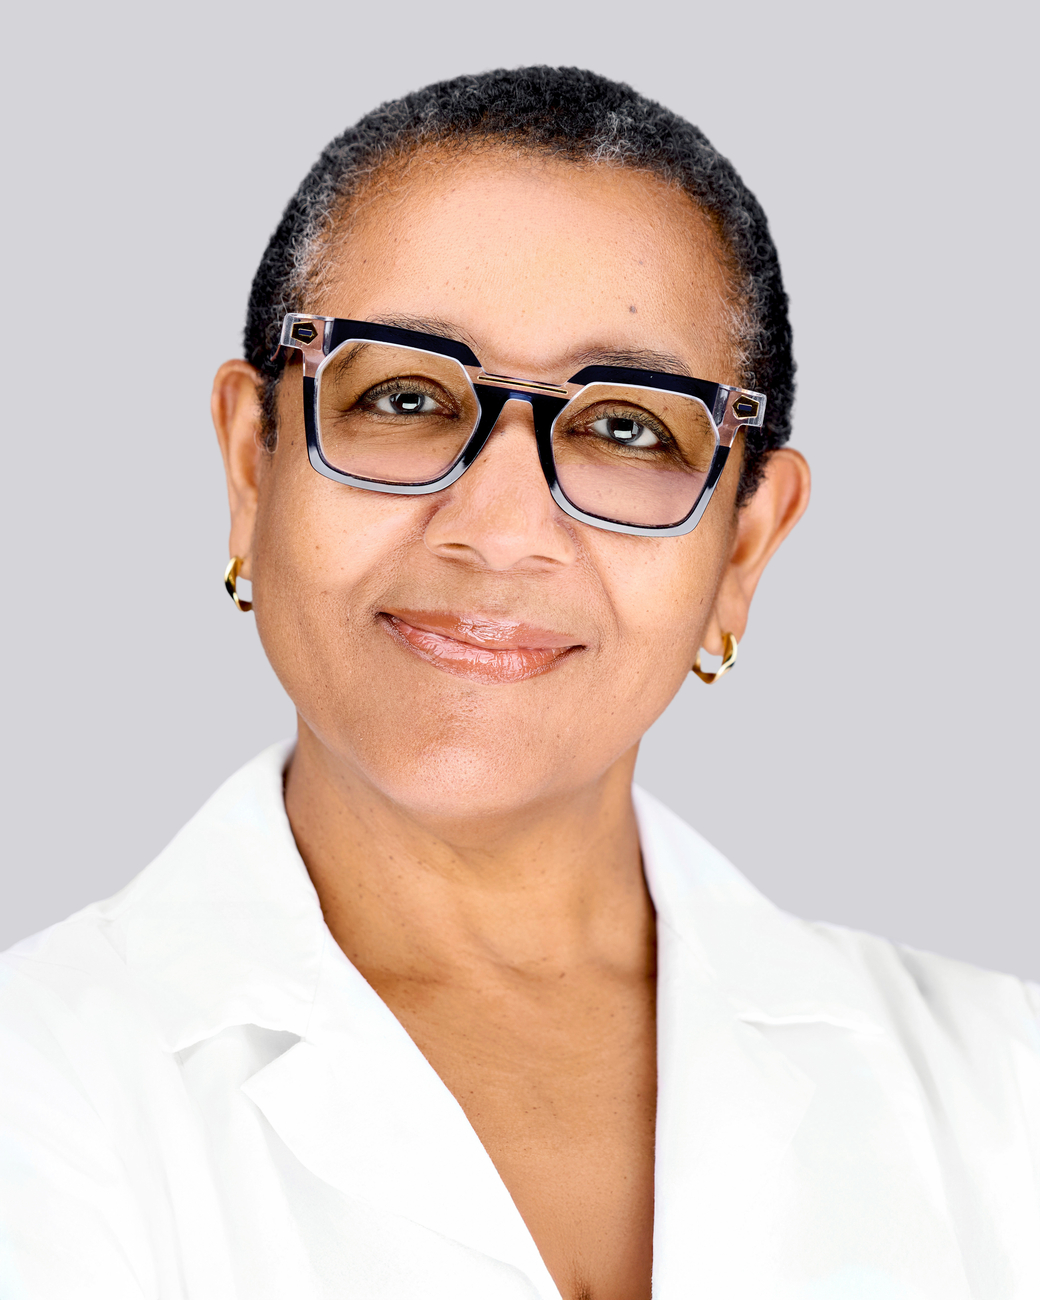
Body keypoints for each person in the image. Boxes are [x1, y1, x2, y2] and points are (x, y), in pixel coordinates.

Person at [1, 66, 1037, 1300]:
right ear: (251, 463)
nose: (497, 531)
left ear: (742, 547)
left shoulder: (1002, 1089)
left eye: (627, 427)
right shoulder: (38, 1083)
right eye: (403, 396)